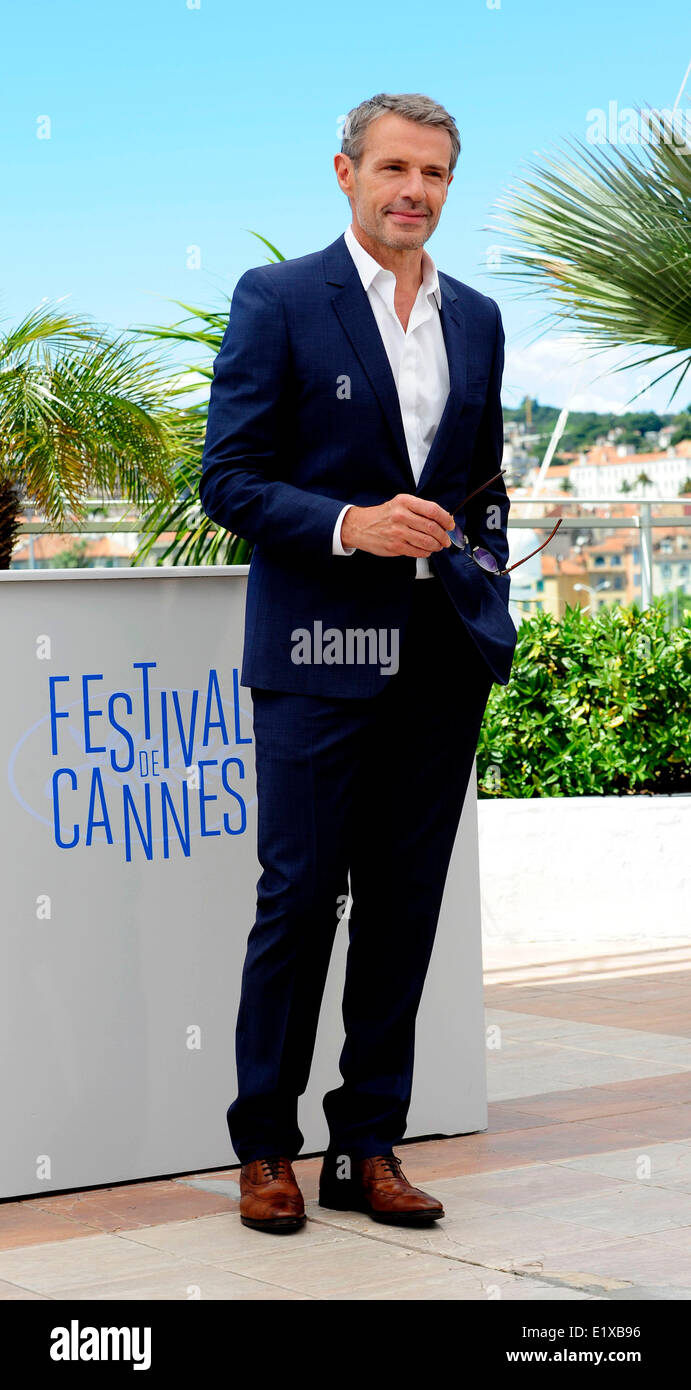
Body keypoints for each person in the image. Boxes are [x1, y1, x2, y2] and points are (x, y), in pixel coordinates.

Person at [199, 91, 517, 1234]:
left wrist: (483, 570)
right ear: (344, 173)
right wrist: (350, 525)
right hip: (315, 655)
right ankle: (266, 1149)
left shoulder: (475, 318)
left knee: (403, 910)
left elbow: (480, 482)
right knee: (298, 901)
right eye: (393, 168)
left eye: (433, 174)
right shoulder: (280, 300)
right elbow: (227, 479)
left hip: (438, 662)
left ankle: (367, 1144)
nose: (413, 191)